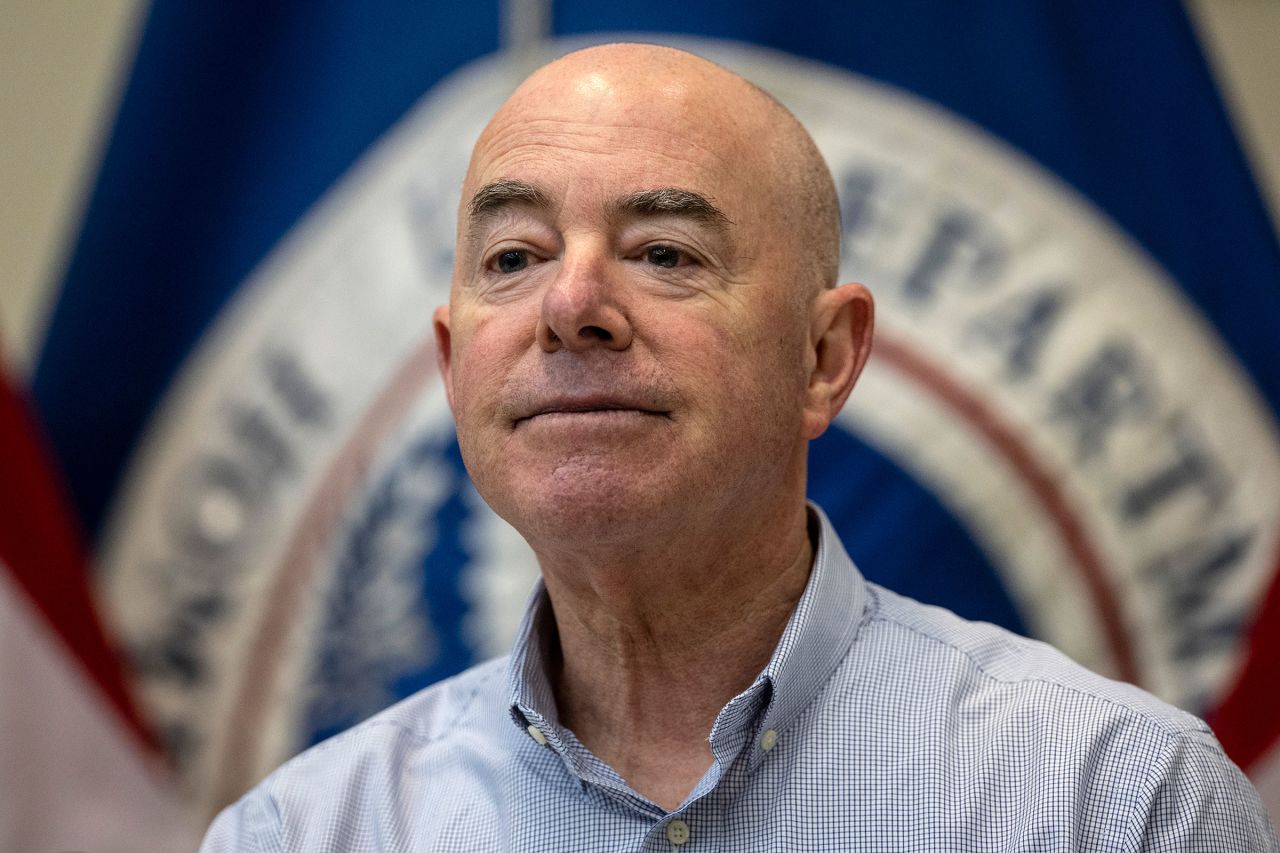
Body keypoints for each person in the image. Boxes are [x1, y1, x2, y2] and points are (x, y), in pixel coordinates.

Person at [202, 43, 1277, 851]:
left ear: (823, 357)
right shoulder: (300, 831)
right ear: (451, 365)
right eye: (513, 255)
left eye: (664, 251)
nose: (569, 304)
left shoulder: (1119, 802)